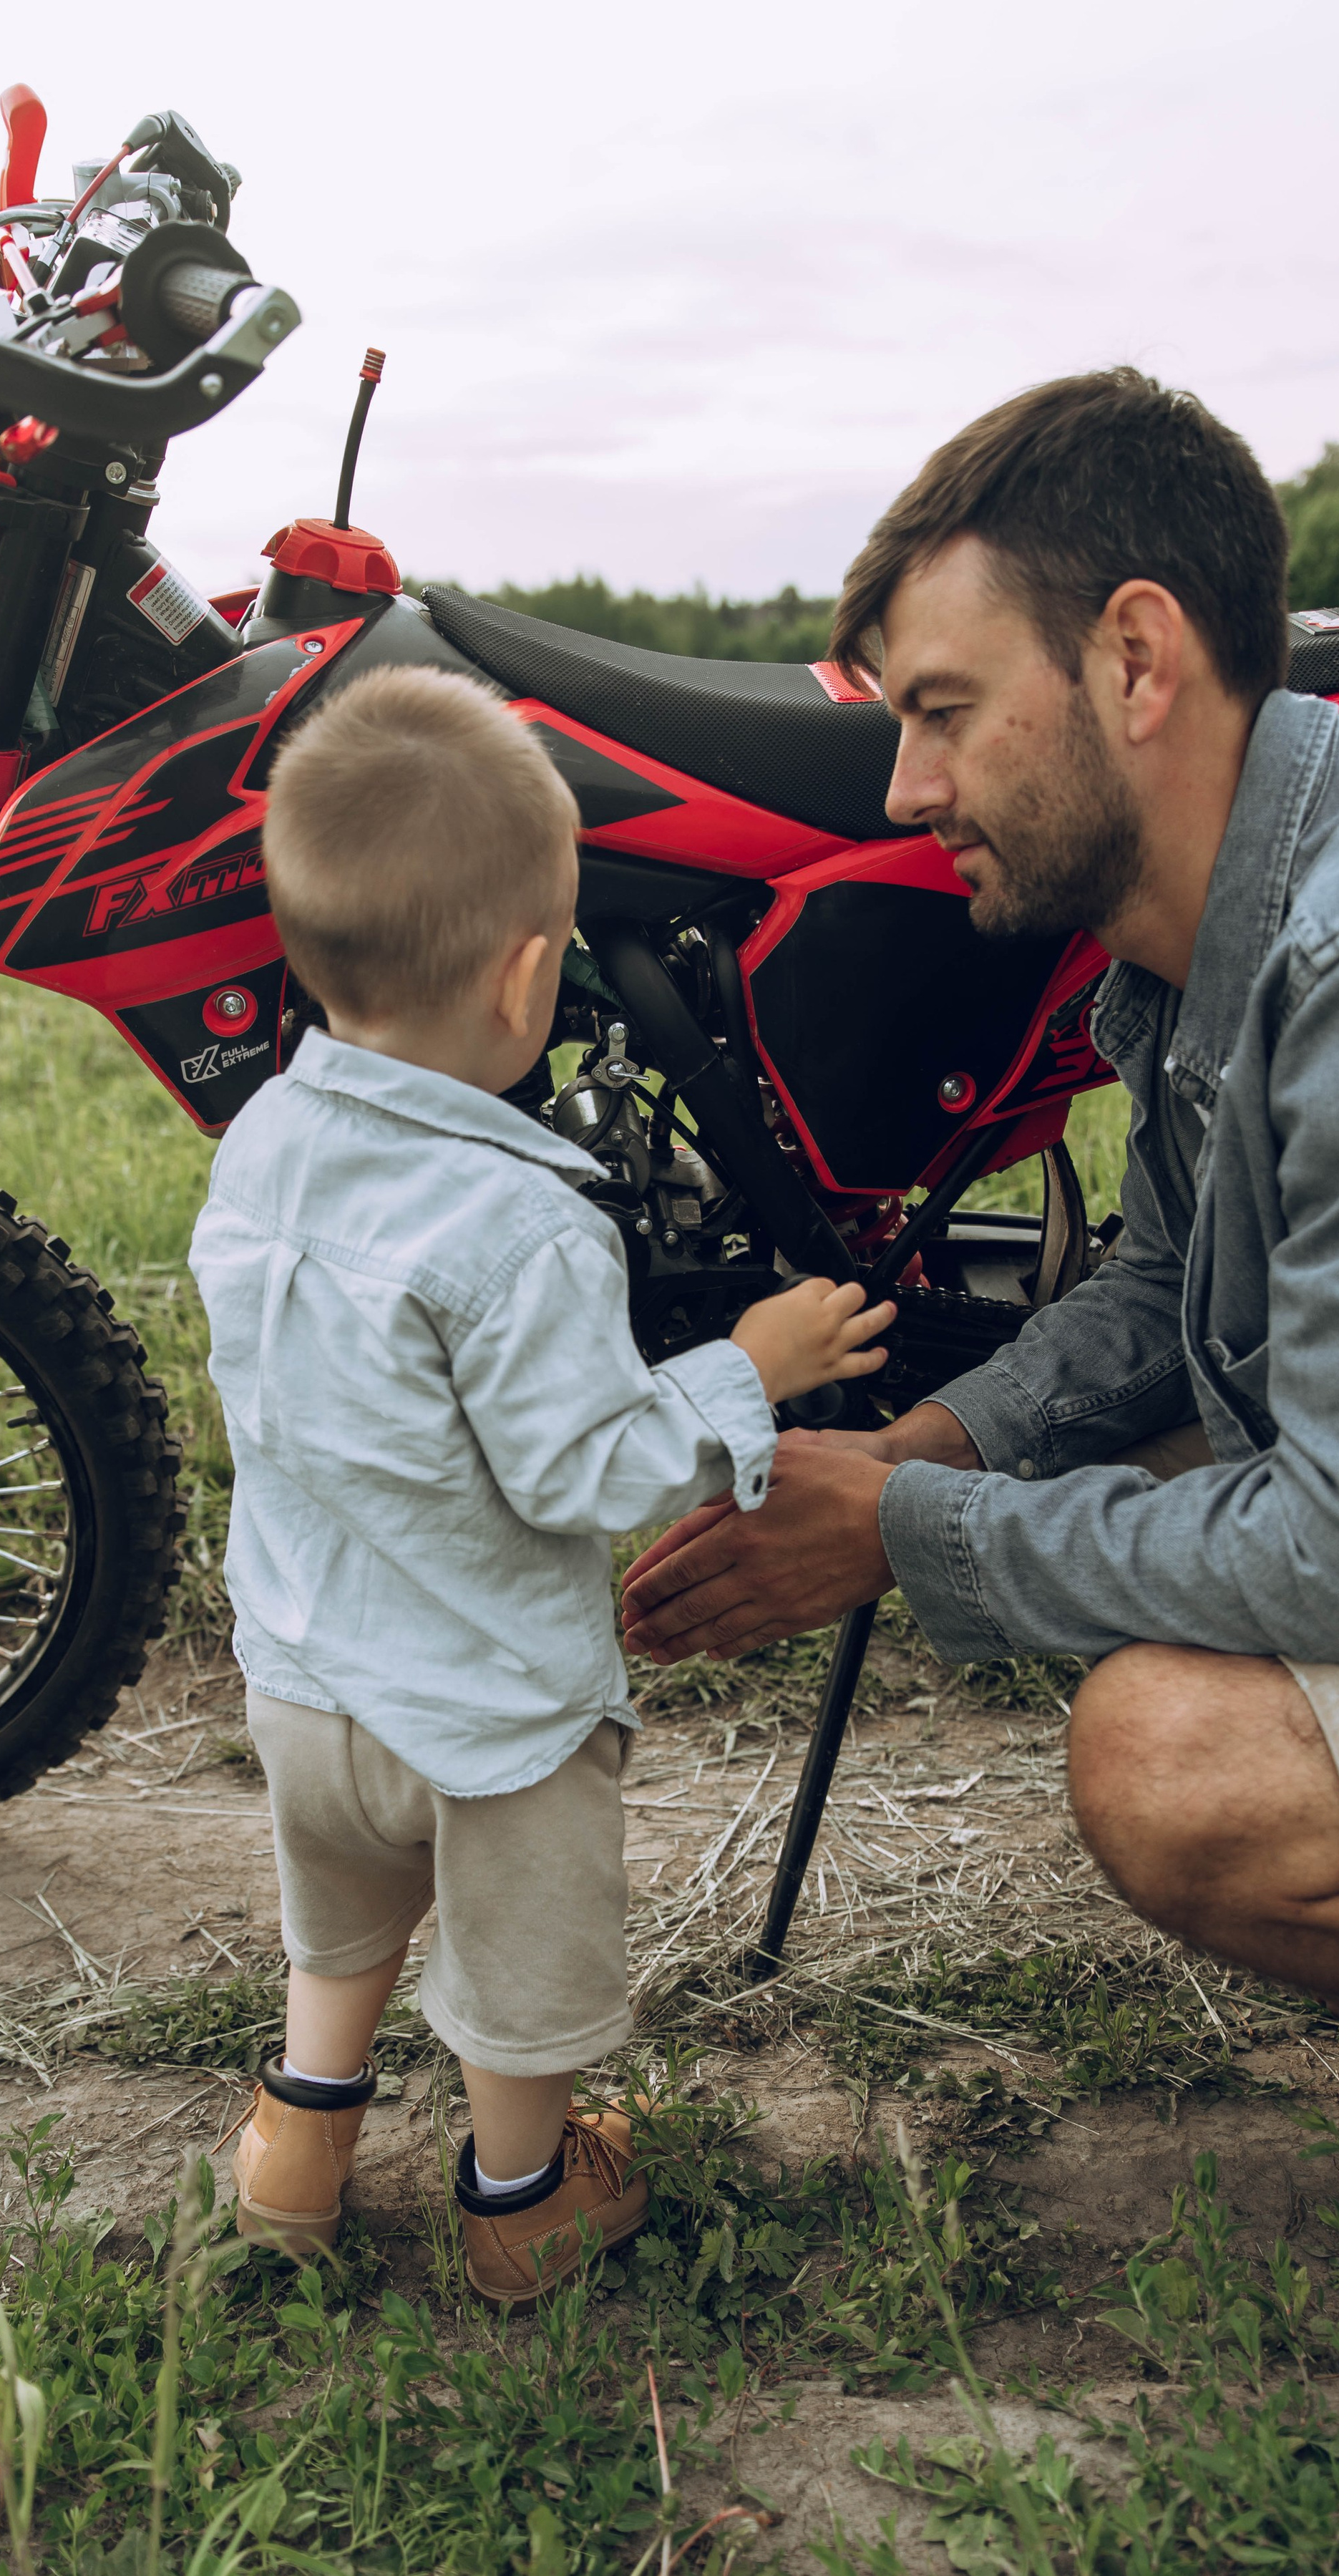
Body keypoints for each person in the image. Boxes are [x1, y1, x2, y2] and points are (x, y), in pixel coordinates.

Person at [621, 368, 1339, 2300]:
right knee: (1161, 1507)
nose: (905, 789)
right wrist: (922, 1456)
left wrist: (895, 1536)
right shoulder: (1224, 927)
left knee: (1176, 1763)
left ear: (1135, 659)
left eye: (943, 713)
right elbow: (1156, 1297)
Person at [190, 664, 892, 2305]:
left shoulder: (262, 1149)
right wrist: (751, 1366)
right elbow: (587, 1466)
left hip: (305, 1681)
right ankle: (521, 2200)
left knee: (339, 1930)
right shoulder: (521, 1226)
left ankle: (298, 2149)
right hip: (490, 1721)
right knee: (519, 1973)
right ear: (527, 982)